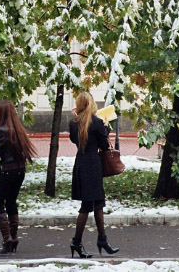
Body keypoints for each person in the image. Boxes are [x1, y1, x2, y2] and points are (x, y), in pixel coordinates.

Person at [0, 101, 36, 255]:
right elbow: (5, 146)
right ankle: (14, 238)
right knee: (10, 202)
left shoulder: (2, 130)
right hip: (20, 171)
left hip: (8, 171)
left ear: (2, 113)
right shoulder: (16, 129)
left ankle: (6, 238)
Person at [67, 91, 119, 258]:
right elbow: (104, 146)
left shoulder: (73, 123)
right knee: (88, 205)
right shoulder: (96, 123)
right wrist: (105, 128)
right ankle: (76, 242)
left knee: (98, 202)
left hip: (81, 164)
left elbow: (74, 140)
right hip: (93, 165)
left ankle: (102, 240)